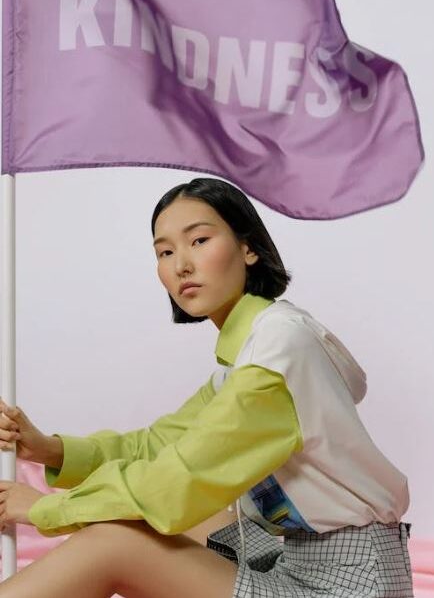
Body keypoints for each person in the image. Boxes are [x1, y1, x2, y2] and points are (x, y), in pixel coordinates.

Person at [0, 177, 414, 598]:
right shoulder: (246, 358)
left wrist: (41, 508)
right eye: (165, 251)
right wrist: (50, 450)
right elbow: (157, 445)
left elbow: (178, 480)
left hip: (350, 583)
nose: (181, 264)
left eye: (198, 240)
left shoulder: (277, 351)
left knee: (116, 539)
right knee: (159, 516)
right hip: (299, 558)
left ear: (248, 248)